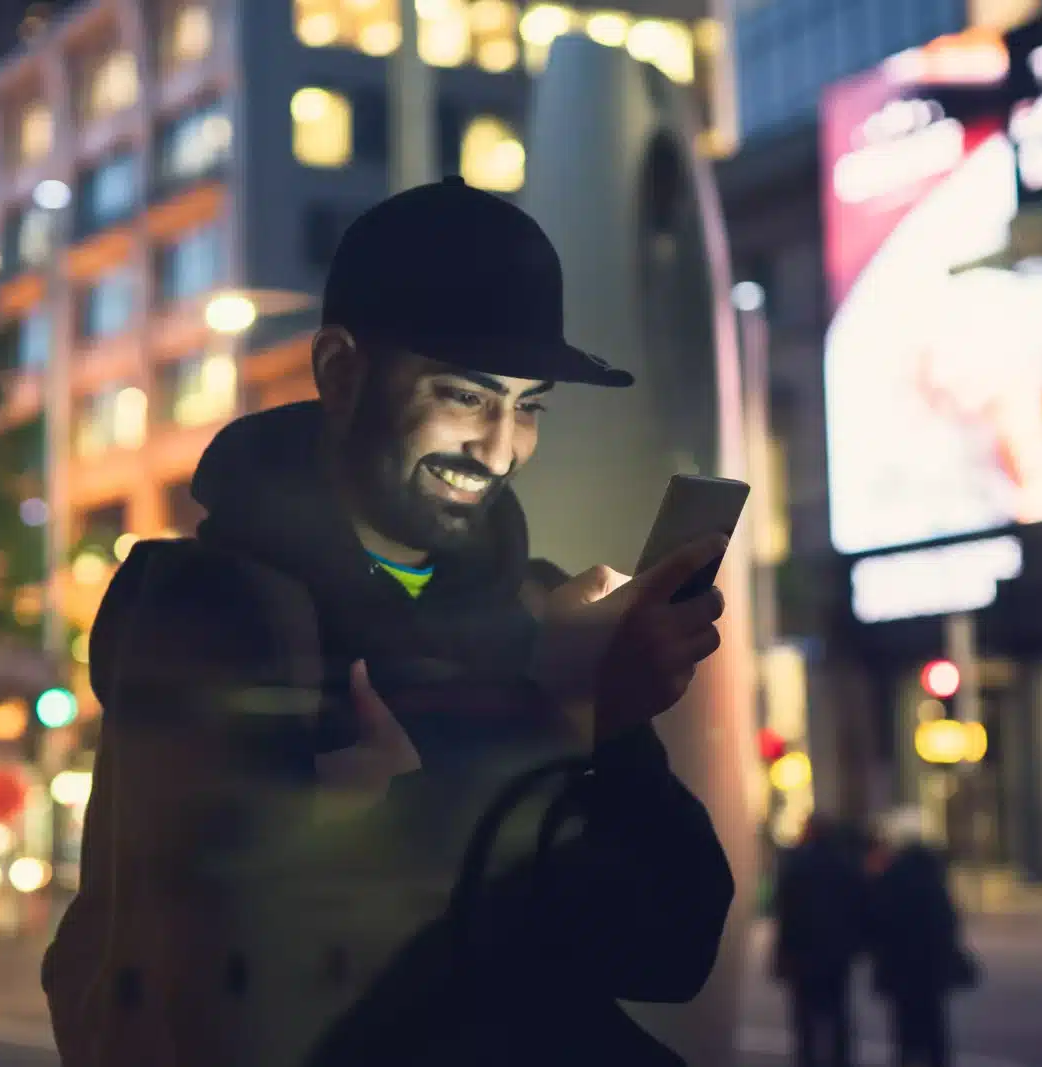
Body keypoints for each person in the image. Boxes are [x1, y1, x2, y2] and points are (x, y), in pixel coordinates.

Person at [42, 176, 735, 1067]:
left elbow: (667, 952)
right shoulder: (212, 611)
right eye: (465, 396)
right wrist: (556, 712)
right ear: (340, 372)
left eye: (529, 408)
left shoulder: (538, 604)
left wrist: (617, 723)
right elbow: (237, 985)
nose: (499, 450)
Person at [867, 812, 977, 1067]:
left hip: (902, 967)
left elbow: (879, 921)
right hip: (931, 967)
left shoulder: (891, 877)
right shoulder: (933, 874)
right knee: (935, 1029)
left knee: (906, 1032)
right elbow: (947, 921)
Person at [771, 814, 868, 1067]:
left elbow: (786, 913)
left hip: (803, 952)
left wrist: (782, 952)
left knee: (805, 1017)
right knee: (837, 1011)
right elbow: (861, 907)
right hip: (836, 953)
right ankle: (840, 1059)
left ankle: (808, 1059)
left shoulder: (797, 865)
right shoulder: (846, 865)